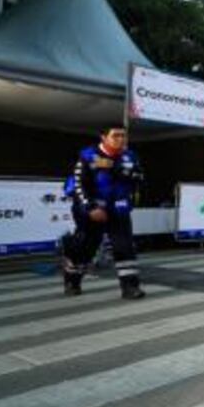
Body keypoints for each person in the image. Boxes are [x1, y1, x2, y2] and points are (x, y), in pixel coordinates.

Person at [60, 125, 146, 299]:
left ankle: (130, 287)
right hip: (92, 210)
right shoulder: (88, 156)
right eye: (116, 136)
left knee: (125, 246)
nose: (121, 139)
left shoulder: (130, 156)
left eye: (123, 136)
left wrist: (127, 175)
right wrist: (91, 207)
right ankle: (72, 281)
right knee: (85, 248)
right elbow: (78, 185)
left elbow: (139, 178)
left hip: (119, 209)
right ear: (103, 137)